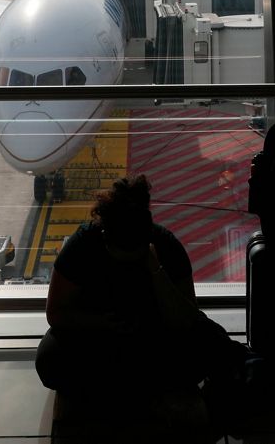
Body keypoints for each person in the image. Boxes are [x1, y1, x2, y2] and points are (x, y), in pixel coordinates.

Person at [35, 175, 246, 409]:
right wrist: (101, 323)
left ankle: (111, 391)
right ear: (105, 236)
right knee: (49, 360)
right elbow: (55, 314)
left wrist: (156, 270)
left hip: (147, 337)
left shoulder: (162, 246)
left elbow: (187, 317)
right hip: (104, 338)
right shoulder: (83, 245)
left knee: (55, 362)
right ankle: (148, 389)